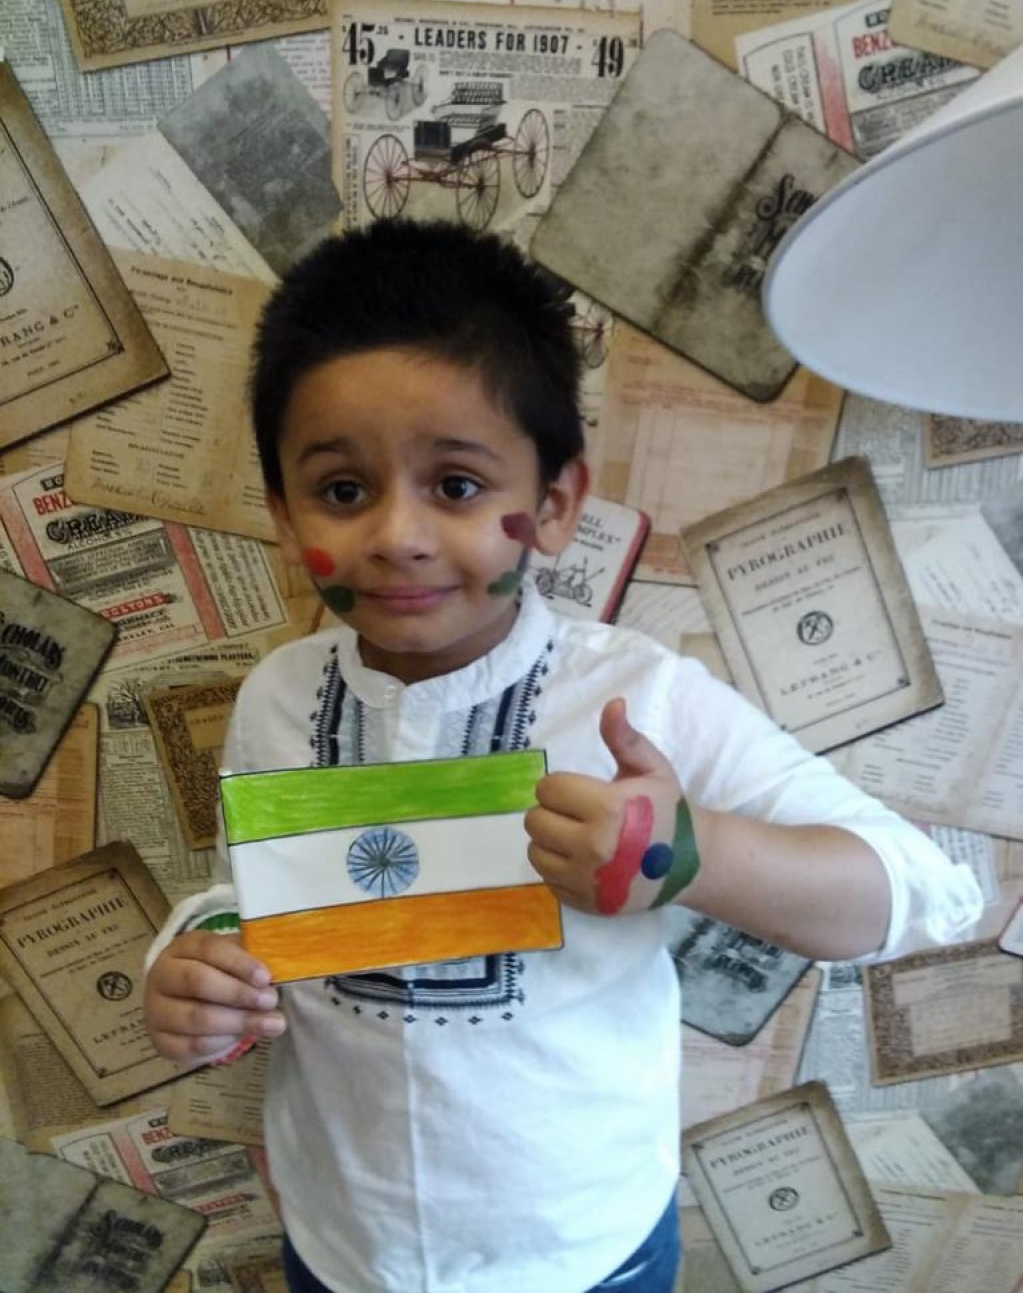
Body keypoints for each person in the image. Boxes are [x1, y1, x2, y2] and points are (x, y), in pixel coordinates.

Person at [144, 218, 982, 1293]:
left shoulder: (638, 701)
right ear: (280, 508)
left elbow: (916, 892)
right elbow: (248, 895)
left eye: (455, 485)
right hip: (341, 1243)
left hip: (583, 1252)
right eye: (343, 491)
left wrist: (689, 855)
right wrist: (198, 963)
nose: (396, 534)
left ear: (551, 506)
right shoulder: (276, 698)